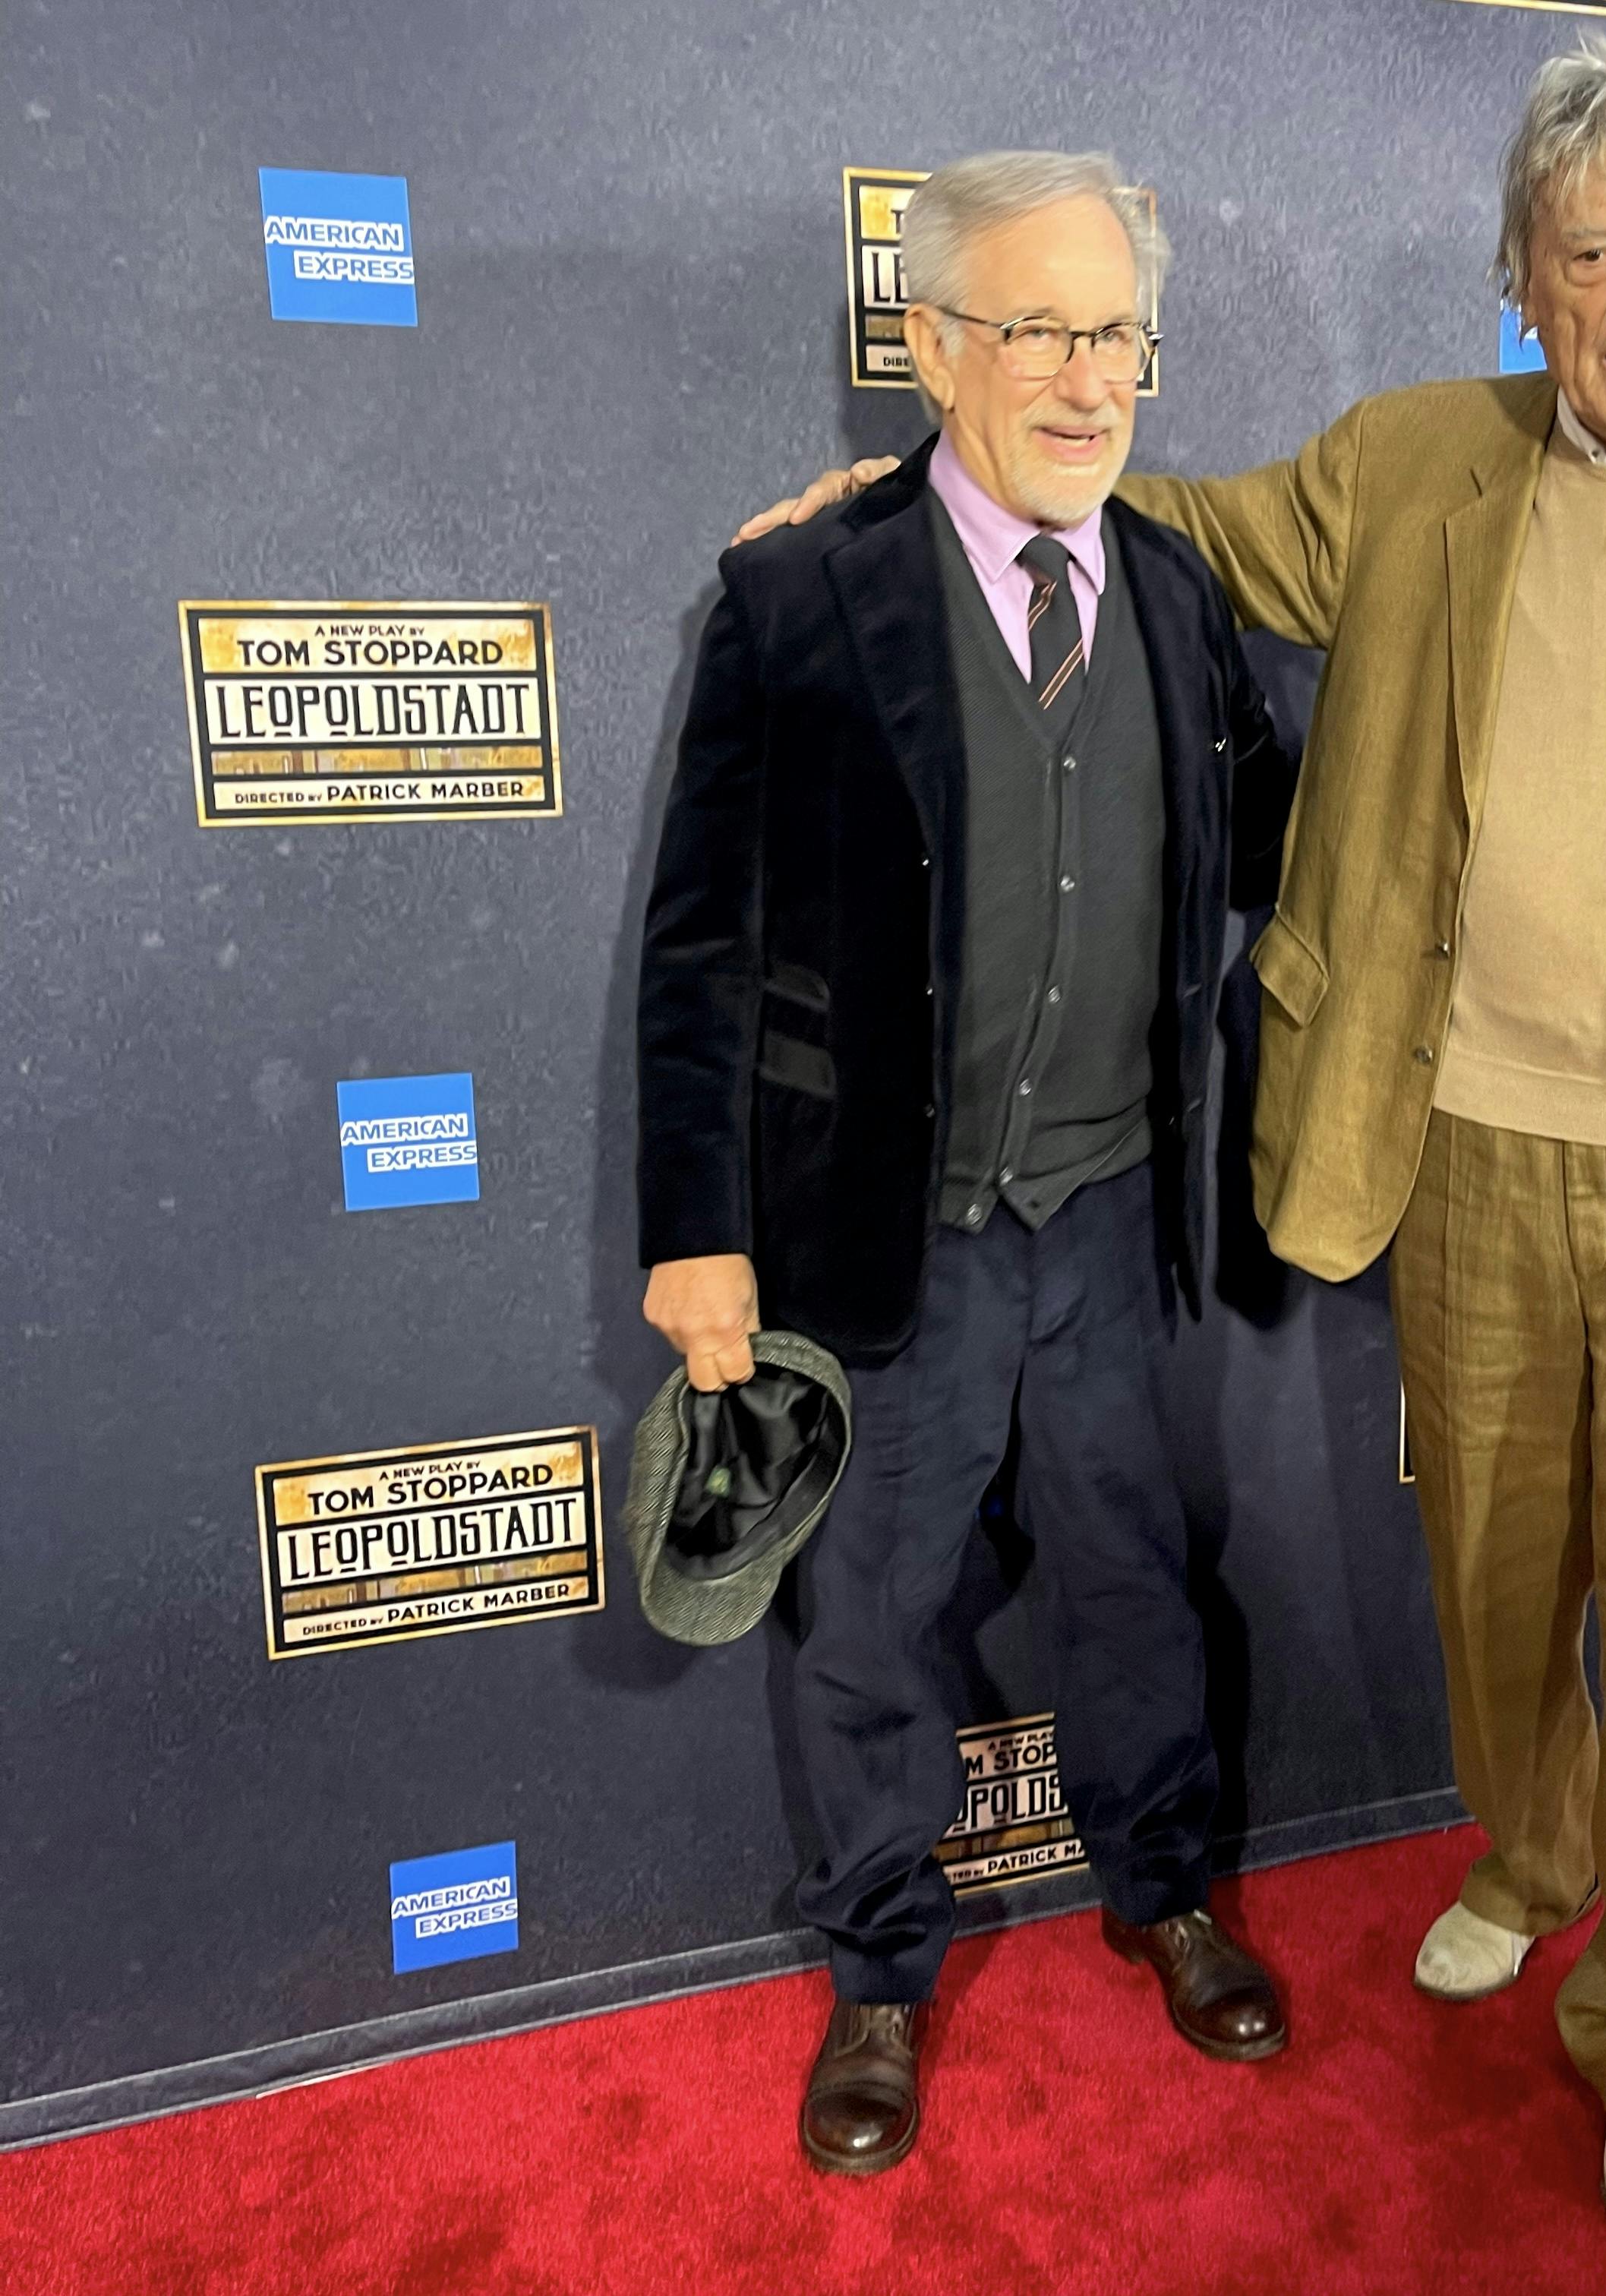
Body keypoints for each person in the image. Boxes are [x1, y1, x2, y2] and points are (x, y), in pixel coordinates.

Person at [741, 38, 1606, 2242]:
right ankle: (1533, 1853)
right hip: (1467, 1156)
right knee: (1495, 1600)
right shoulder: (1417, 460)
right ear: (1522, 271)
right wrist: (902, 510)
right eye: (1587, 253)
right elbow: (1155, 516)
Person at [640, 149, 1298, 2181]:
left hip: (1108, 1218)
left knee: (1132, 1578)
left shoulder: (1178, 599)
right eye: (1039, 331)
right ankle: (878, 1975)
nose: (1089, 379)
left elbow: (1279, 843)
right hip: (886, 1240)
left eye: (1118, 335)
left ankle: (1169, 1887)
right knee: (867, 1619)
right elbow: (702, 943)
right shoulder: (797, 598)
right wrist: (698, 1235)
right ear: (932, 347)